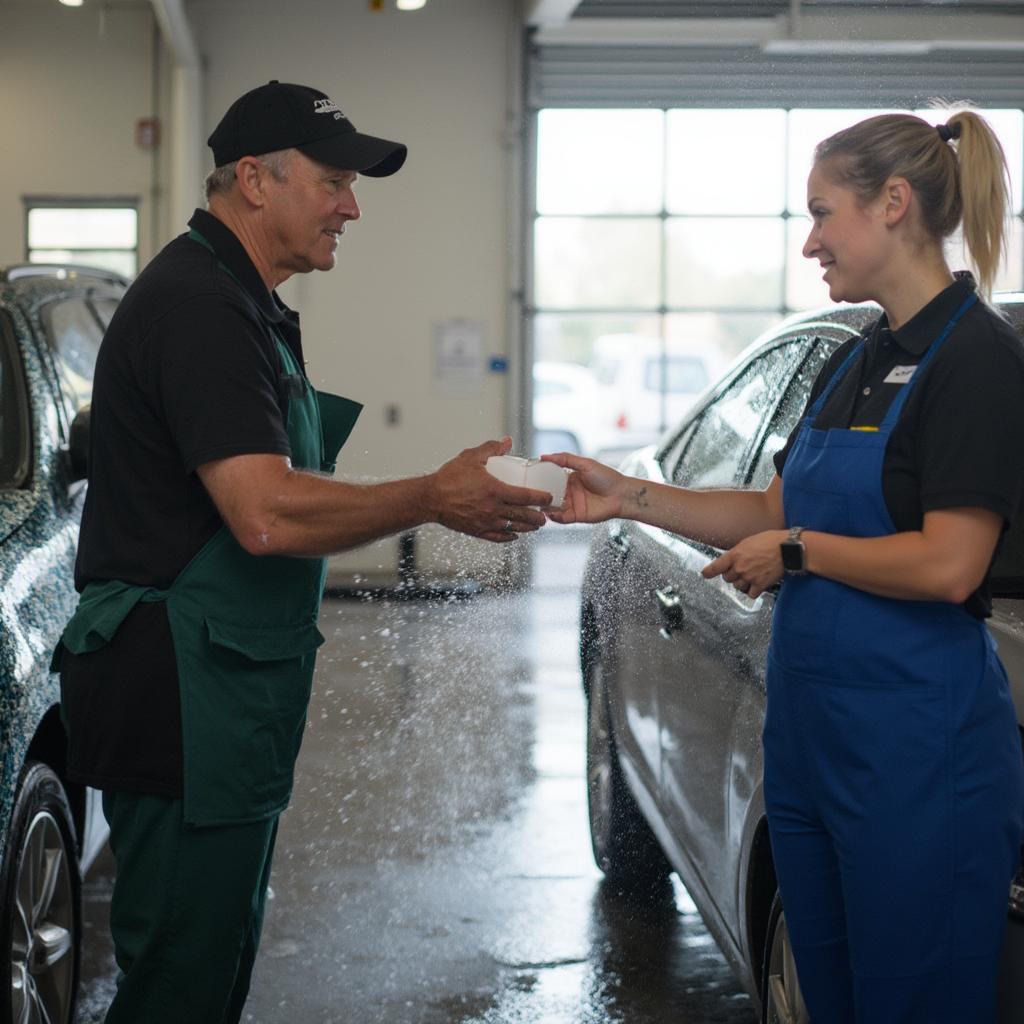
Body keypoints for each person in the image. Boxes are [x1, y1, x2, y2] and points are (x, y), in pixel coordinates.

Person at [53, 80, 552, 1024]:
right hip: (182, 692)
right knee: (181, 981)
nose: (352, 206)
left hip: (224, 690)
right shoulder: (200, 308)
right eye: (333, 182)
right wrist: (432, 496)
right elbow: (265, 514)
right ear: (254, 179)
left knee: (215, 957)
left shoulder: (242, 299)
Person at [546, 109, 1024, 1023]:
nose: (809, 243)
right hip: (813, 739)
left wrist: (799, 553)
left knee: (912, 999)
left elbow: (951, 565)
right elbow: (773, 509)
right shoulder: (862, 356)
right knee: (826, 995)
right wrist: (625, 496)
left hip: (916, 752)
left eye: (820, 213)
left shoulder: (977, 362)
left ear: (893, 205)